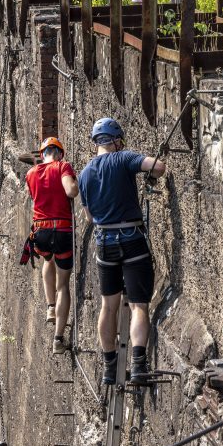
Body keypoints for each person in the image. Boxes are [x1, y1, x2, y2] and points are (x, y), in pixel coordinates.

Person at [77, 118, 167, 385]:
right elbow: (158, 167)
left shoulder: (84, 175)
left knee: (109, 305)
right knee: (139, 304)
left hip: (104, 242)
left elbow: (89, 217)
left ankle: (109, 367)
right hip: (131, 238)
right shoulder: (123, 158)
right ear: (116, 139)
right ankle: (138, 365)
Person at [25, 137, 78, 354]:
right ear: (58, 153)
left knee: (48, 259)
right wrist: (76, 181)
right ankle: (58, 338)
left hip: (41, 232)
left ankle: (50, 307)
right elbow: (71, 191)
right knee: (63, 285)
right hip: (62, 230)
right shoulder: (62, 166)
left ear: (43, 153)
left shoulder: (30, 174)